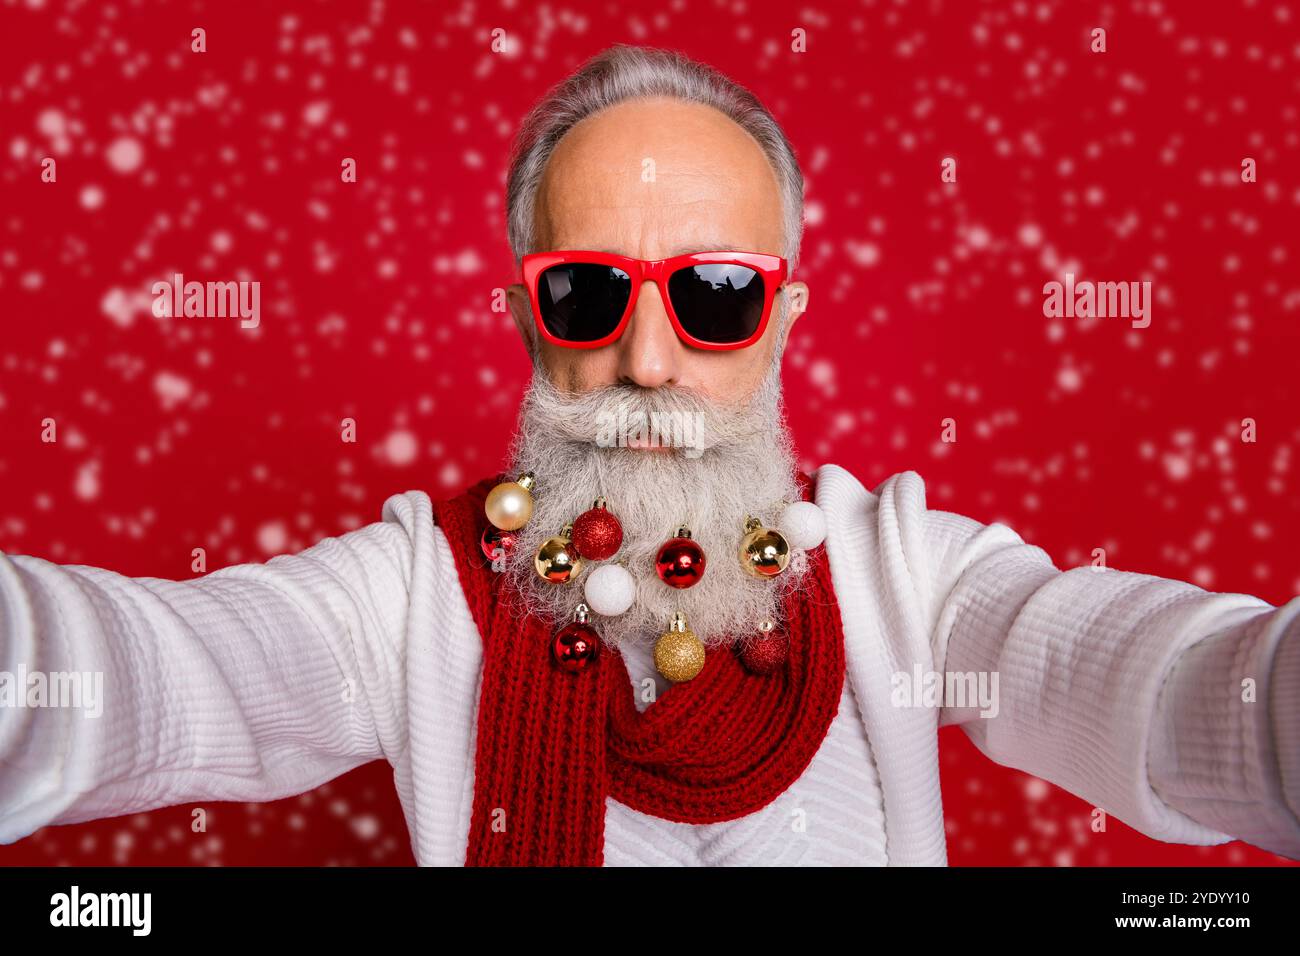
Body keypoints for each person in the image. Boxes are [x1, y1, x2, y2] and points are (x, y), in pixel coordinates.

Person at [1, 44, 1296, 866]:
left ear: (784, 313)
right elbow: (152, 679)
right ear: (522, 313)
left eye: (716, 294)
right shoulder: (416, 598)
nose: (651, 362)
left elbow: (1186, 698)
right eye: (585, 297)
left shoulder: (910, 580)